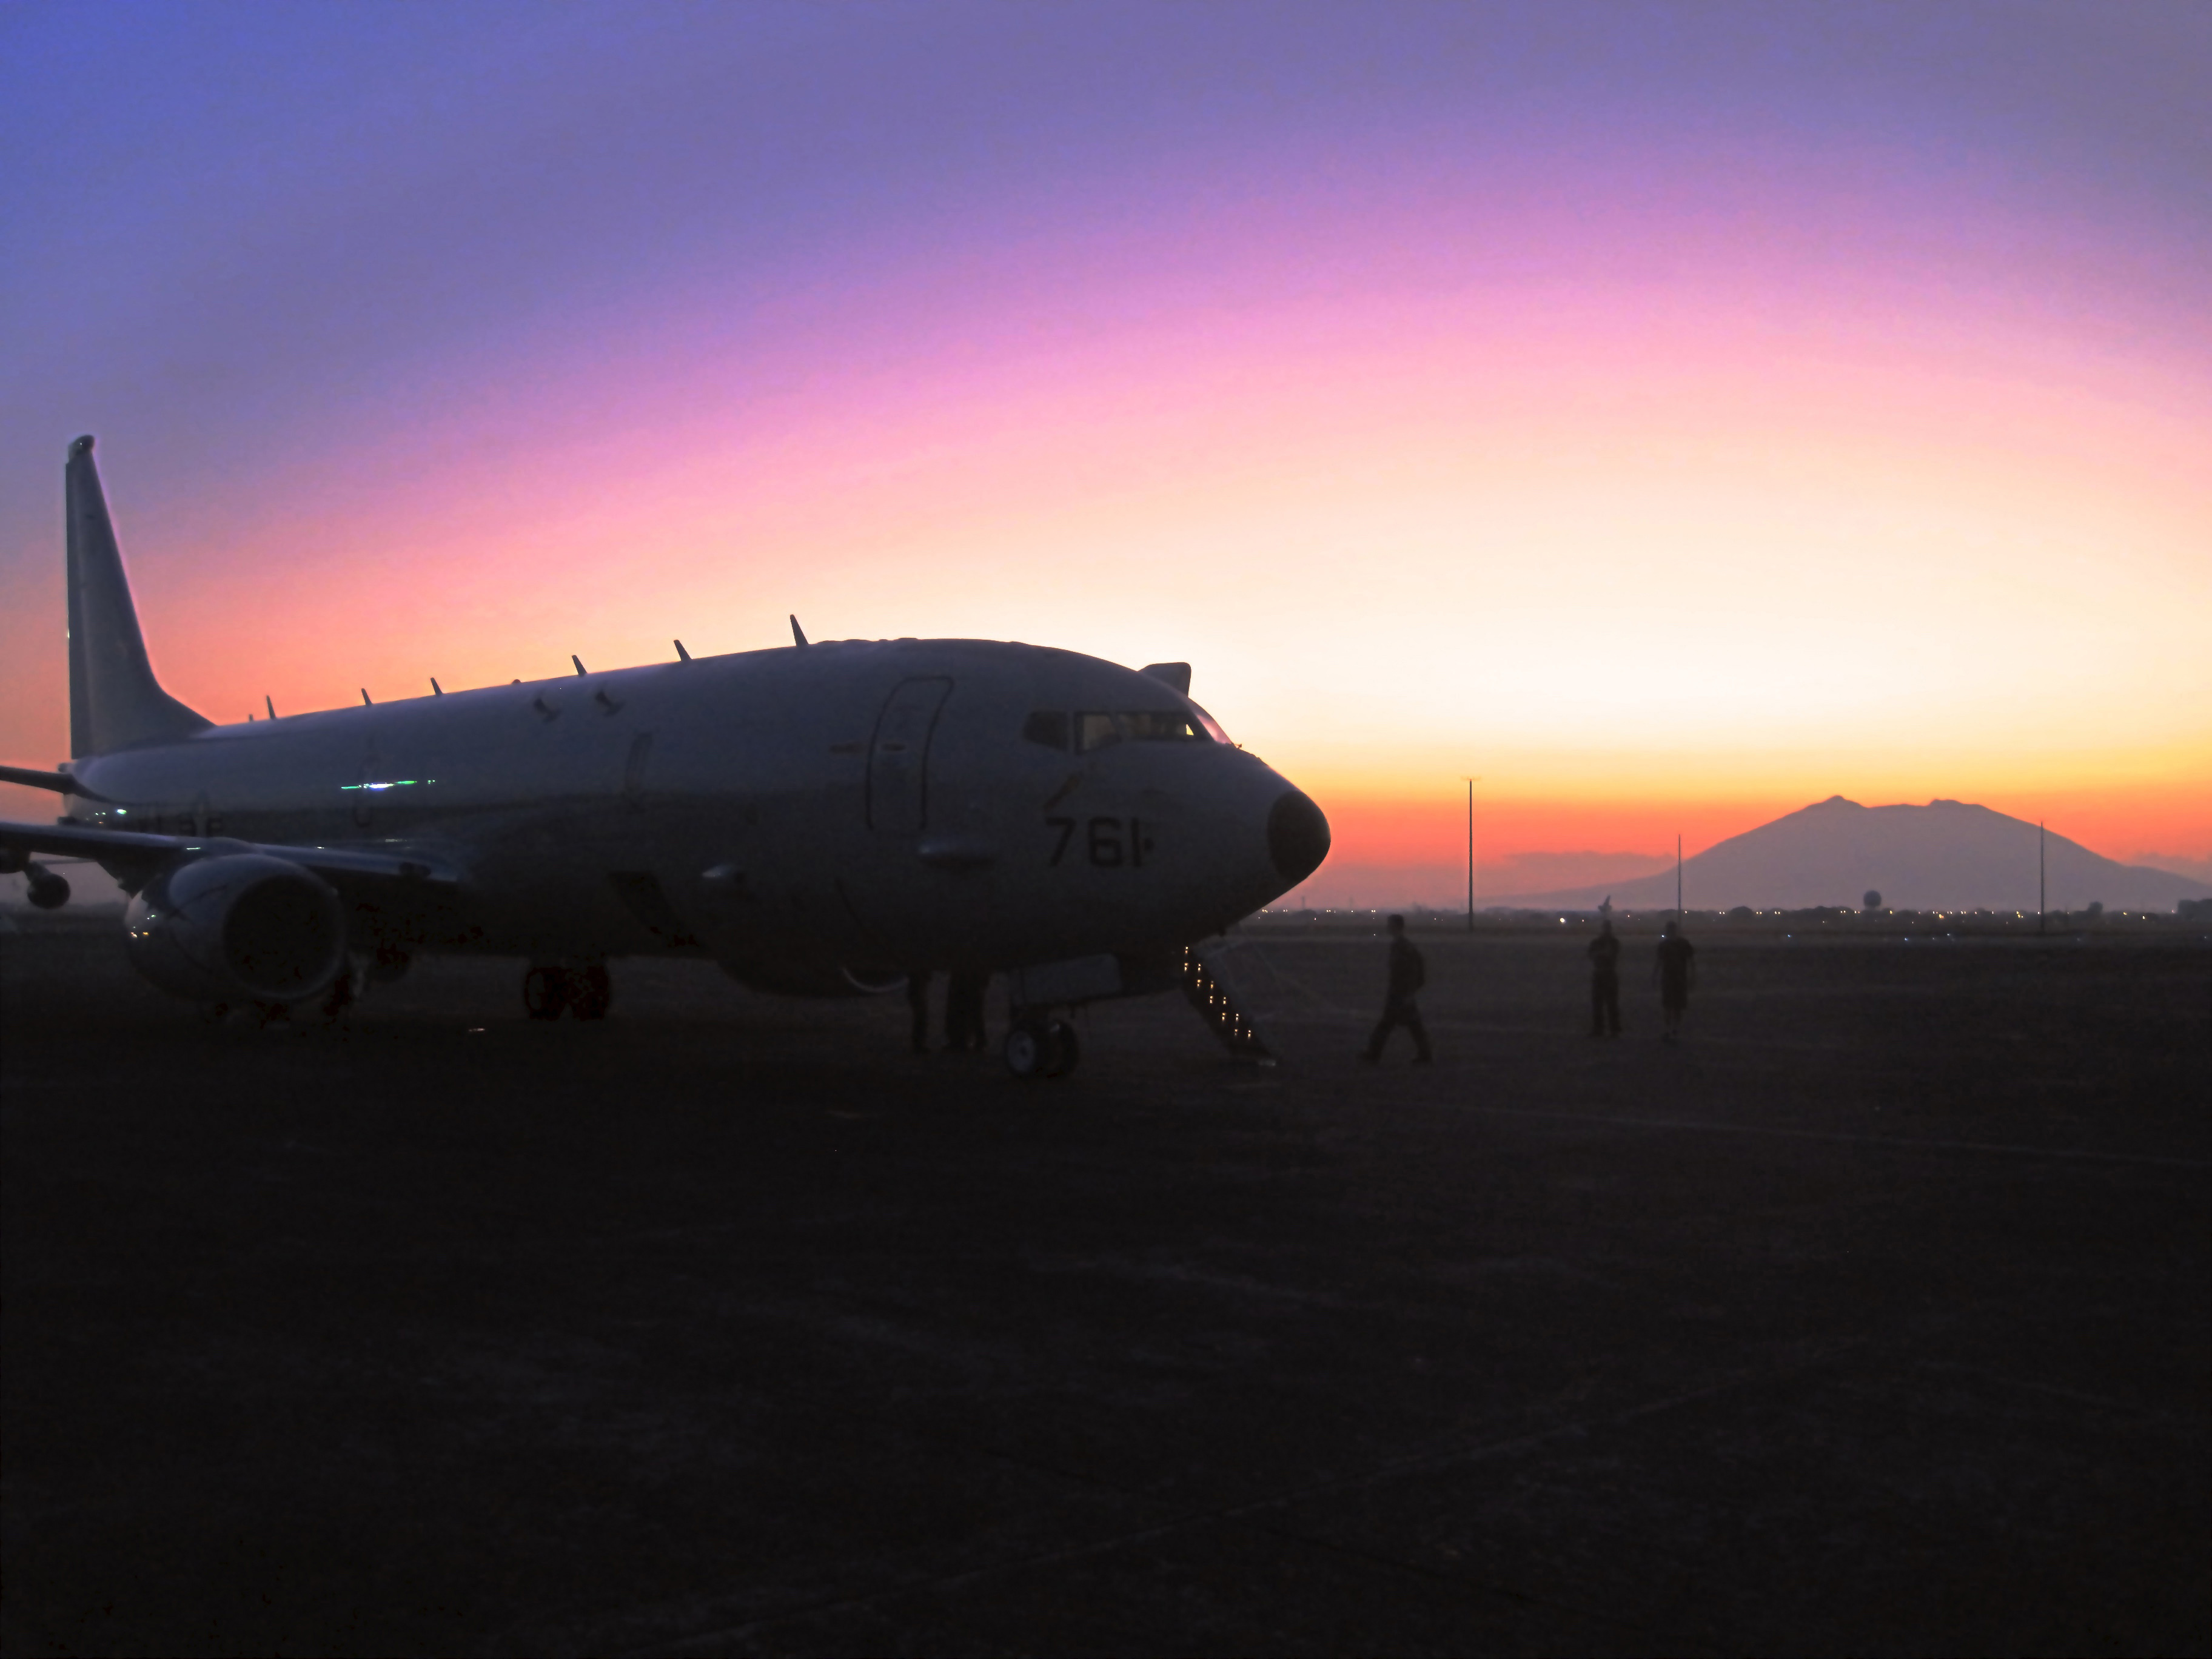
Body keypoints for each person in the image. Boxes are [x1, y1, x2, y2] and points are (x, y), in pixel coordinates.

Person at [1361, 913, 1432, 1064]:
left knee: (1388, 1025)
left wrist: (1408, 993)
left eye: (1390, 924)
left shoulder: (1403, 947)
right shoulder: (1401, 946)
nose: (1387, 927)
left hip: (1400, 994)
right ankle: (1425, 1055)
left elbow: (1412, 972)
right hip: (1400, 993)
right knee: (1413, 1026)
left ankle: (1373, 1055)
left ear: (1395, 926)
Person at [1652, 917, 1695, 1041]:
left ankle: (1672, 1029)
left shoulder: (1680, 944)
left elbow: (1691, 962)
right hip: (1672, 978)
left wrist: (1654, 976)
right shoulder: (1669, 945)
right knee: (1671, 1006)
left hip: (1676, 978)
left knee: (1675, 1006)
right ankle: (1672, 1029)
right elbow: (1659, 962)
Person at [1587, 917, 1622, 1037]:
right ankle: (1600, 1028)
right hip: (1601, 974)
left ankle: (1613, 1029)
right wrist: (1603, 953)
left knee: (1611, 1003)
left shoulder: (1612, 942)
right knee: (1598, 1003)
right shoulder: (1600, 942)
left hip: (1607, 973)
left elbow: (1609, 955)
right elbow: (1592, 955)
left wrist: (1600, 954)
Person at [944, 969, 990, 1052]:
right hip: (969, 975)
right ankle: (963, 1040)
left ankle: (966, 1040)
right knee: (971, 1008)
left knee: (972, 1008)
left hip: (970, 976)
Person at [906, 969, 932, 1055]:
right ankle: (919, 1045)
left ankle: (919, 1044)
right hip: (918, 984)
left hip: (917, 984)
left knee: (921, 1014)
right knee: (921, 1015)